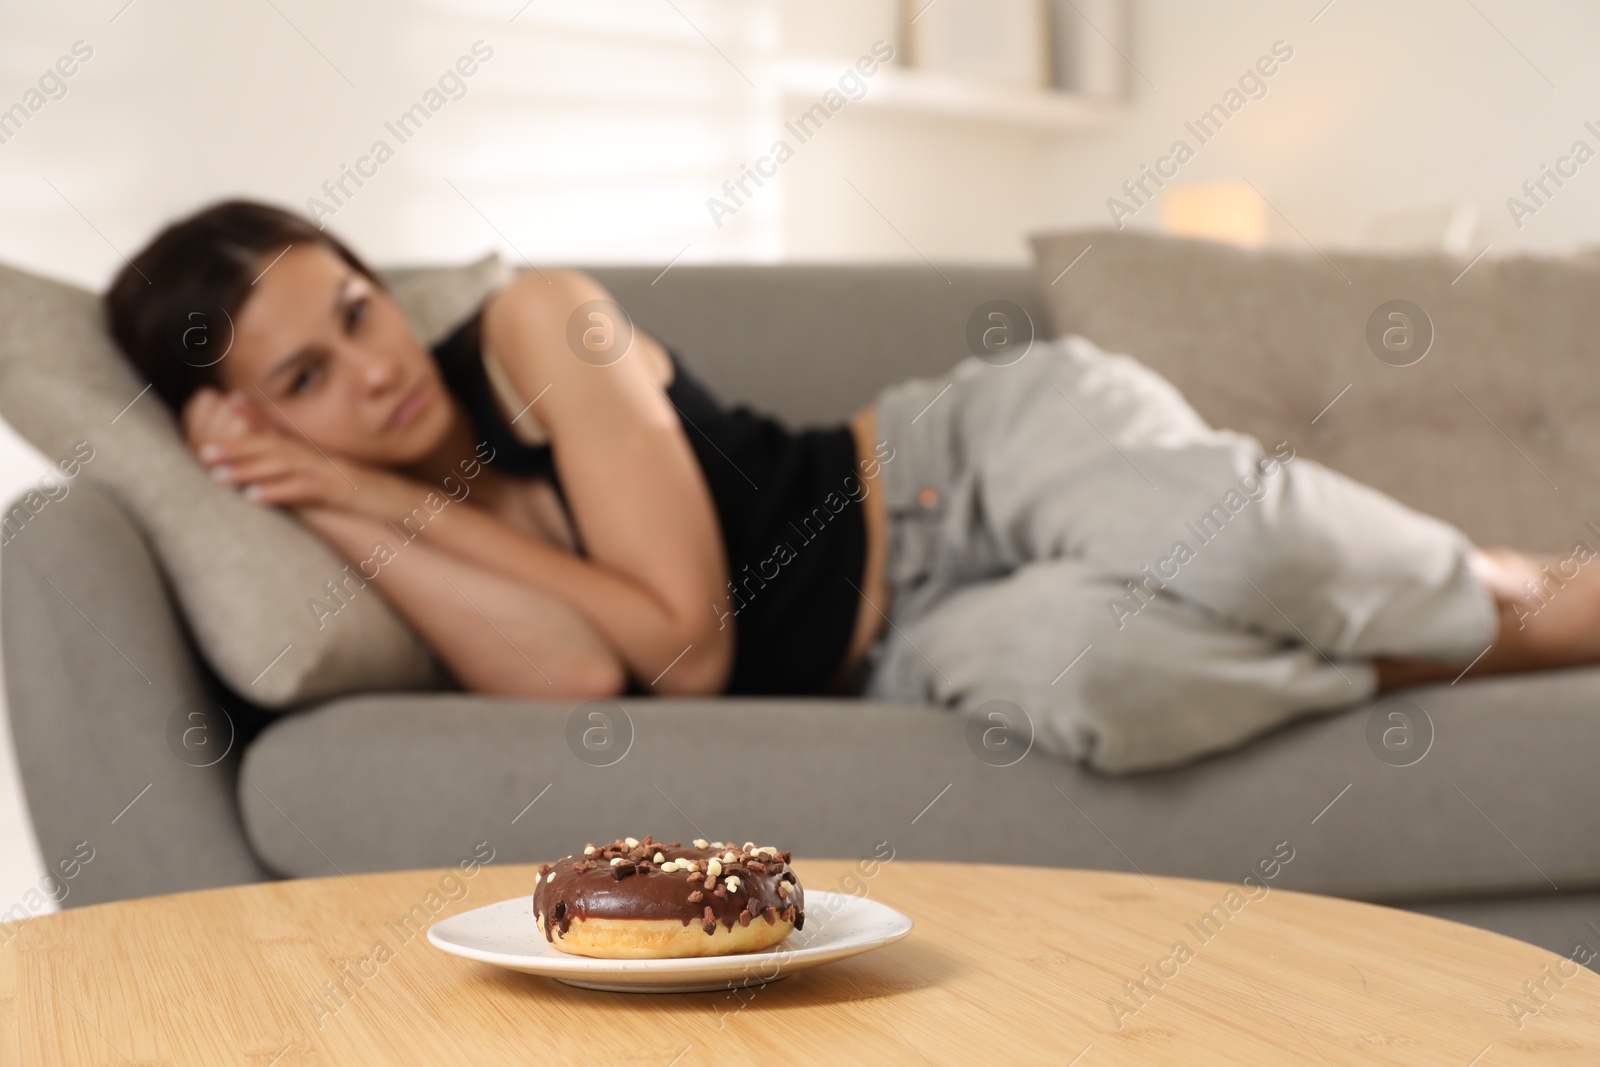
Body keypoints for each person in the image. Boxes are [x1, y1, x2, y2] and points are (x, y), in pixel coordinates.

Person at [103, 200, 1600, 774]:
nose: (370, 371)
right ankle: (1394, 604)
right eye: (304, 382)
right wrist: (347, 509)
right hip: (897, 660)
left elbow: (676, 643)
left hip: (961, 475)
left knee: (1234, 552)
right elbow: (578, 669)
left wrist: (367, 491)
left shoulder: (531, 322)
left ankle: (1524, 594)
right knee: (1106, 692)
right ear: (244, 427)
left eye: (355, 309)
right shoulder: (381, 520)